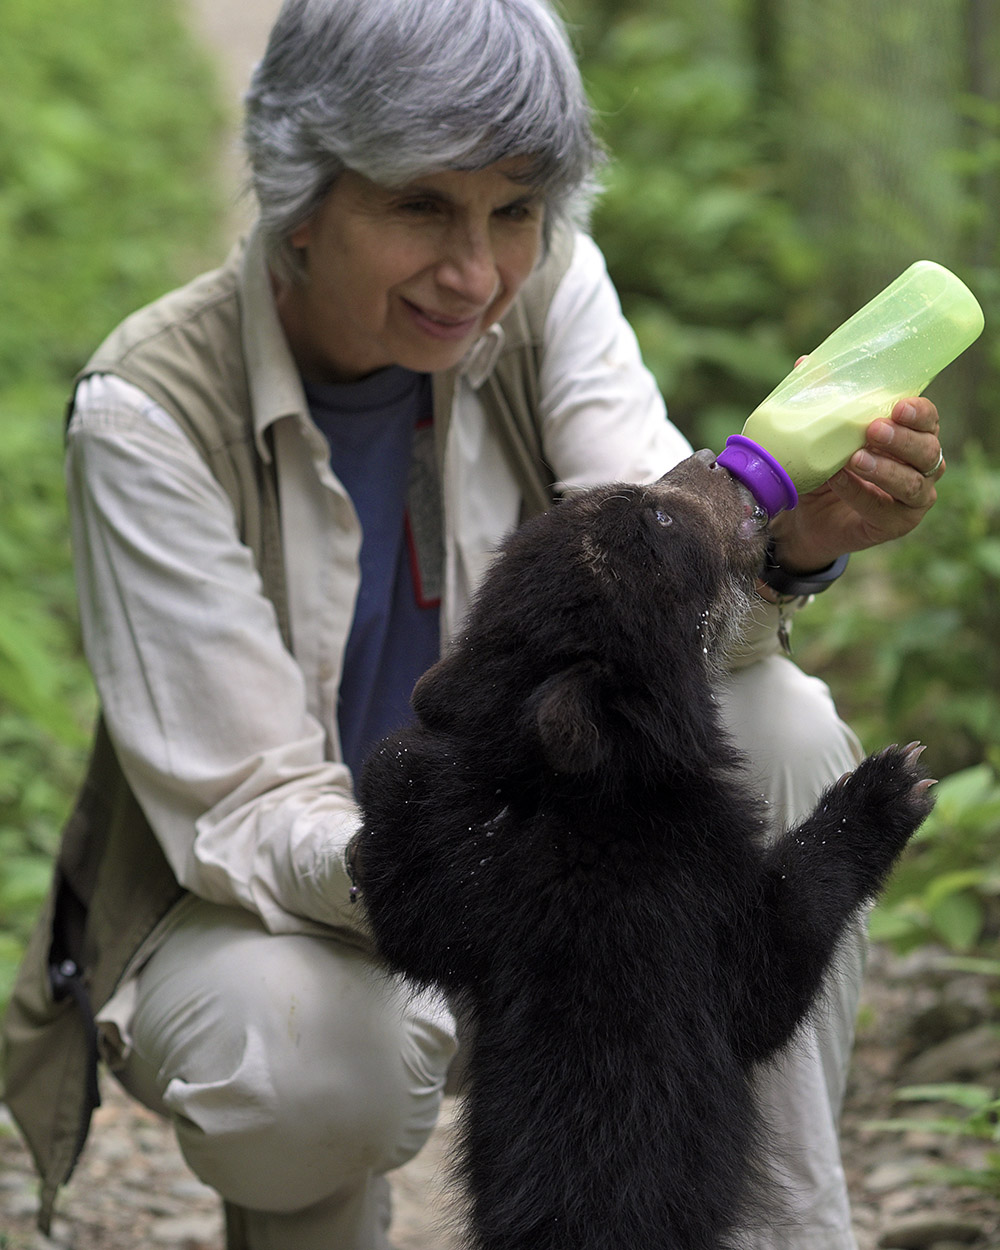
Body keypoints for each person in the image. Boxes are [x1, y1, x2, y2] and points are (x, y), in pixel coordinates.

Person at [2, 0, 945, 1246]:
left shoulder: (542, 285)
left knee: (780, 724)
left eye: (514, 208)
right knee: (308, 1064)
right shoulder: (149, 412)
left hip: (546, 859)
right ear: (298, 195)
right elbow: (242, 807)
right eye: (419, 207)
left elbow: (651, 585)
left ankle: (776, 1230)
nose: (477, 270)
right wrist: (485, 875)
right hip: (298, 903)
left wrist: (791, 548)